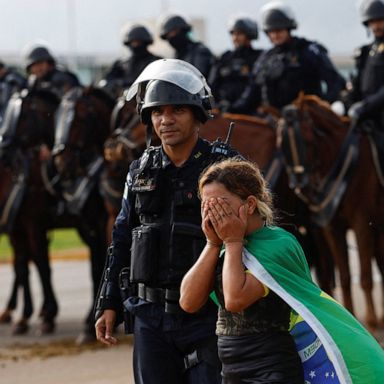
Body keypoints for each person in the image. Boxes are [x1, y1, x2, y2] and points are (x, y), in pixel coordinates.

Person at [94, 58, 238, 384]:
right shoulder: (139, 170)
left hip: (209, 319)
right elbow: (121, 238)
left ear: (197, 116)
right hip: (149, 317)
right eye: (158, 112)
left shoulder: (226, 169)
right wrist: (108, 303)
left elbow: (257, 237)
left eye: (177, 110)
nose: (166, 120)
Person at [180, 158, 384, 384]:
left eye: (219, 204)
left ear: (249, 205)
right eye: (206, 206)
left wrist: (232, 241)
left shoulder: (278, 244)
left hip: (271, 365)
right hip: (231, 365)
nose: (213, 214)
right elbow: (188, 301)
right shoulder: (226, 246)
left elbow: (235, 298)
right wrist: (212, 244)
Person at [229, 1, 345, 114]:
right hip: (272, 121)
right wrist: (230, 109)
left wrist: (320, 108)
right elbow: (251, 94)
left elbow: (335, 82)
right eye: (271, 31)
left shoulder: (308, 51)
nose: (275, 35)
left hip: (306, 120)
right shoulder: (265, 58)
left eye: (278, 30)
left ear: (288, 29)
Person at [208, 17, 263, 112]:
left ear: (249, 35)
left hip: (250, 113)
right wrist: (217, 104)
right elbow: (212, 85)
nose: (235, 38)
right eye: (233, 34)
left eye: (239, 34)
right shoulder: (224, 58)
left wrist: (237, 107)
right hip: (223, 111)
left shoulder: (259, 57)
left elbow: (255, 87)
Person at [345, 0, 384, 129]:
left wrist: (365, 106)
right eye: (372, 22)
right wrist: (348, 98)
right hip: (366, 116)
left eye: (380, 21)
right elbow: (360, 81)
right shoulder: (366, 51)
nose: (376, 26)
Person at [99, 24, 162, 99]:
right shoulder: (121, 63)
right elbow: (107, 81)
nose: (135, 45)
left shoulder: (157, 62)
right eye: (133, 42)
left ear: (145, 42)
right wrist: (119, 84)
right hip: (123, 99)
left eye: (138, 42)